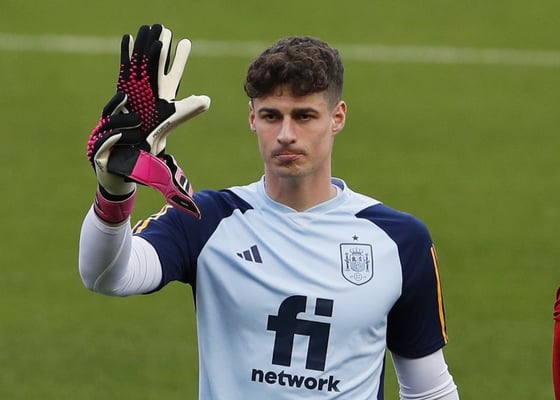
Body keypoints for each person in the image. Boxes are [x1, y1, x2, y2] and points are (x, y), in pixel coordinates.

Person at [79, 25, 460, 399]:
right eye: (271, 116)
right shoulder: (207, 219)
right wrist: (114, 192)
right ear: (252, 118)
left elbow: (428, 389)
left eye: (304, 116)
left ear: (337, 117)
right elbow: (107, 276)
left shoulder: (400, 241)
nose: (286, 135)